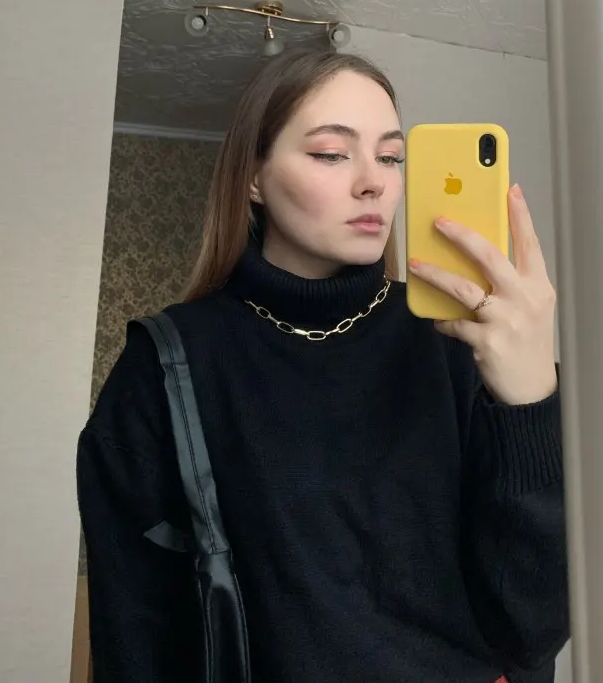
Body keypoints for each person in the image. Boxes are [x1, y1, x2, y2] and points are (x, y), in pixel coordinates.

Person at [77, 49, 568, 683]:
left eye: (391, 157)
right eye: (332, 154)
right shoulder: (167, 363)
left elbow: (533, 632)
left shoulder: (459, 342)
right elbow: (134, 631)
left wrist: (530, 404)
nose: (374, 182)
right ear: (254, 177)